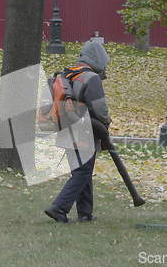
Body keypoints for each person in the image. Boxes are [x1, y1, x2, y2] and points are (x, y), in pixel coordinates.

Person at [44, 40, 111, 223]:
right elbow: (100, 109)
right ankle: (58, 208)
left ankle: (85, 213)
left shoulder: (68, 74)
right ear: (98, 58)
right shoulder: (91, 78)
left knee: (83, 171)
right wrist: (106, 124)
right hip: (84, 132)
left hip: (66, 128)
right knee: (82, 172)